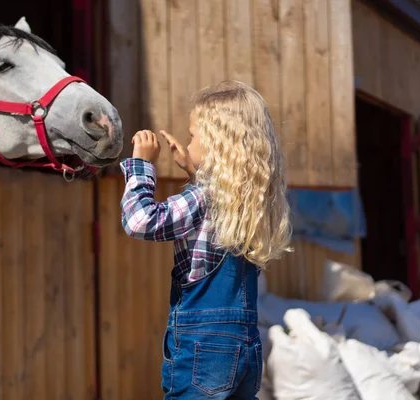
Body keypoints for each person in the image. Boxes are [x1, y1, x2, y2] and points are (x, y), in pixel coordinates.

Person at [119, 80, 293, 399]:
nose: (188, 142)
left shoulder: (202, 197)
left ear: (216, 143)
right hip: (244, 344)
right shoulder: (248, 201)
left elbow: (140, 221)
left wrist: (141, 166)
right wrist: (193, 170)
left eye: (193, 136)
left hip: (203, 346)